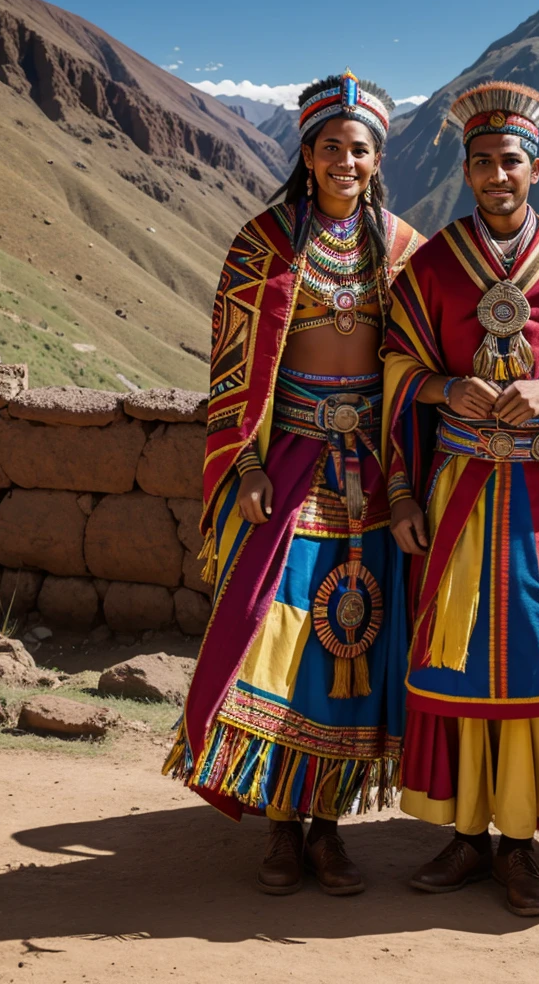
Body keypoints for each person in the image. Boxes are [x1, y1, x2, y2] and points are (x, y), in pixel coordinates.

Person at [382, 81, 539, 917]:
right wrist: (436, 389)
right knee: (454, 660)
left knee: (535, 660)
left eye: (512, 162)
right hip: (459, 491)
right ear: (465, 171)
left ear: (537, 169)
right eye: (483, 163)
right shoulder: (433, 265)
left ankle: (522, 842)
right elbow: (392, 365)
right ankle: (465, 834)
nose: (498, 175)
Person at [163, 71, 423, 896]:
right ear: (306, 155)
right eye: (330, 147)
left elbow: (418, 366)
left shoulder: (404, 248)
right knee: (276, 640)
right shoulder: (263, 243)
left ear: (378, 158)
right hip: (286, 464)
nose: (345, 160)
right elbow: (233, 366)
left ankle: (329, 827)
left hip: (374, 471)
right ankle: (279, 820)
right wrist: (241, 463)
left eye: (360, 149)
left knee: (357, 635)